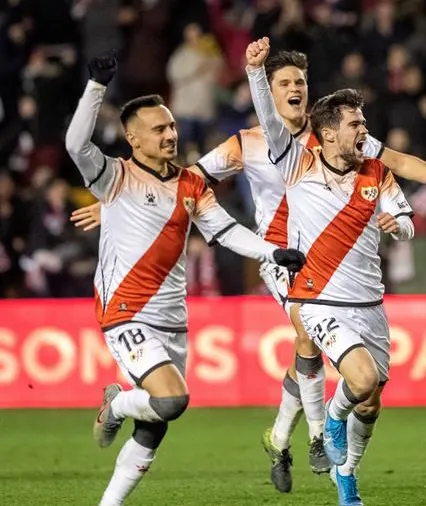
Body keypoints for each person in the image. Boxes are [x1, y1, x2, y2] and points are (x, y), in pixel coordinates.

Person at [70, 49, 426, 493]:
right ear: (269, 93)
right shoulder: (253, 143)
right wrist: (121, 198)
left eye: (301, 82)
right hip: (281, 256)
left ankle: (279, 436)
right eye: (285, 83)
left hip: (332, 265)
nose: (295, 89)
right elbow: (186, 178)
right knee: (307, 330)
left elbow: (399, 162)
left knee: (311, 348)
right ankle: (318, 435)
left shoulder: (335, 135)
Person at [65, 53, 307, 506]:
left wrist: (272, 251)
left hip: (173, 318)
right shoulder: (113, 177)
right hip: (125, 311)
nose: (171, 134)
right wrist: (96, 87)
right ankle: (115, 403)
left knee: (156, 423)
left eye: (172, 126)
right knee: (173, 400)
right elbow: (76, 146)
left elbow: (227, 230)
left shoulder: (192, 186)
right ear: (132, 138)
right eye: (158, 129)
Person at [246, 36, 413, 506]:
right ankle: (325, 428)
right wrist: (255, 74)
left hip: (369, 302)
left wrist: (397, 225)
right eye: (356, 124)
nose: (364, 131)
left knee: (371, 399)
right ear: (330, 133)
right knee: (352, 379)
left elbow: (407, 220)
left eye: (364, 123)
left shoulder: (374, 171)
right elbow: (260, 125)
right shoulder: (293, 162)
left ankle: (345, 475)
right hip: (312, 289)